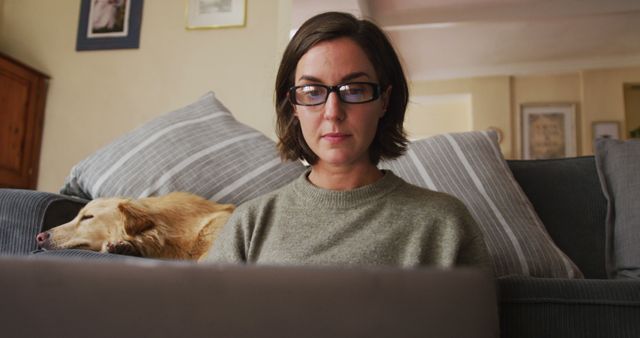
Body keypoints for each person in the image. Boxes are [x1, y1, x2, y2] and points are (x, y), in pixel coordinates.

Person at [207, 12, 490, 270]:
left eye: (354, 90)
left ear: (384, 101)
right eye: (311, 91)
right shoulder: (250, 224)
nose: (333, 112)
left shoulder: (444, 223)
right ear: (293, 104)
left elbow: (473, 325)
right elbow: (206, 322)